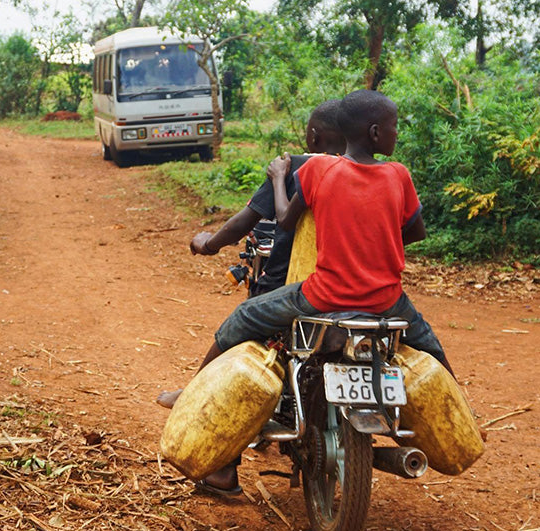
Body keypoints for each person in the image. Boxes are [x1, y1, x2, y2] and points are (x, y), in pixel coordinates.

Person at [176, 90, 454, 496]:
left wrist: (275, 177)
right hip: (385, 300)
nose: (396, 133)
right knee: (429, 348)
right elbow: (415, 231)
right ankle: (453, 416)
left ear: (313, 137)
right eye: (395, 127)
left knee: (240, 322)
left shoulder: (311, 171)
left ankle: (199, 414)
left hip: (321, 297)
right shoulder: (399, 175)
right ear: (376, 133)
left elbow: (283, 219)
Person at [187, 99, 346, 295]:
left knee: (241, 321)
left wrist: (208, 245)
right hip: (352, 283)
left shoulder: (294, 167)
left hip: (290, 283)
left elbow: (243, 222)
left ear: (313, 137)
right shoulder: (369, 172)